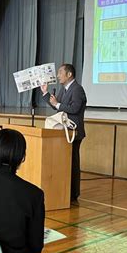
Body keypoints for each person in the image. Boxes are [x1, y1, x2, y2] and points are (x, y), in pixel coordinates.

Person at [41, 63, 87, 202]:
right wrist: (45, 93)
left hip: (74, 132)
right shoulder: (64, 89)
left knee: (73, 163)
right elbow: (57, 105)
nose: (58, 75)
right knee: (65, 162)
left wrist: (58, 104)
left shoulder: (77, 89)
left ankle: (73, 194)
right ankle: (65, 190)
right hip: (63, 131)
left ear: (69, 74)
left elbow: (75, 108)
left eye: (60, 72)